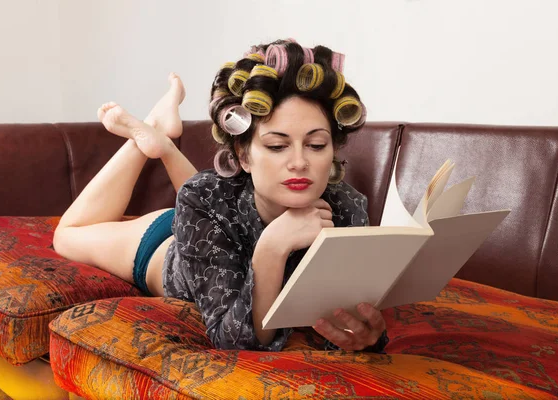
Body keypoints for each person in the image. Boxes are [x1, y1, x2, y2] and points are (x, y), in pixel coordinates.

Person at [53, 39, 388, 353]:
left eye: (316, 145)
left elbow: (347, 321)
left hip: (216, 215)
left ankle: (165, 144)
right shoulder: (203, 200)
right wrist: (271, 248)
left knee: (213, 197)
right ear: (243, 156)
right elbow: (232, 341)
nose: (299, 162)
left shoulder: (347, 207)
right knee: (67, 236)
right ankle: (153, 131)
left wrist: (366, 336)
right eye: (277, 145)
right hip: (165, 245)